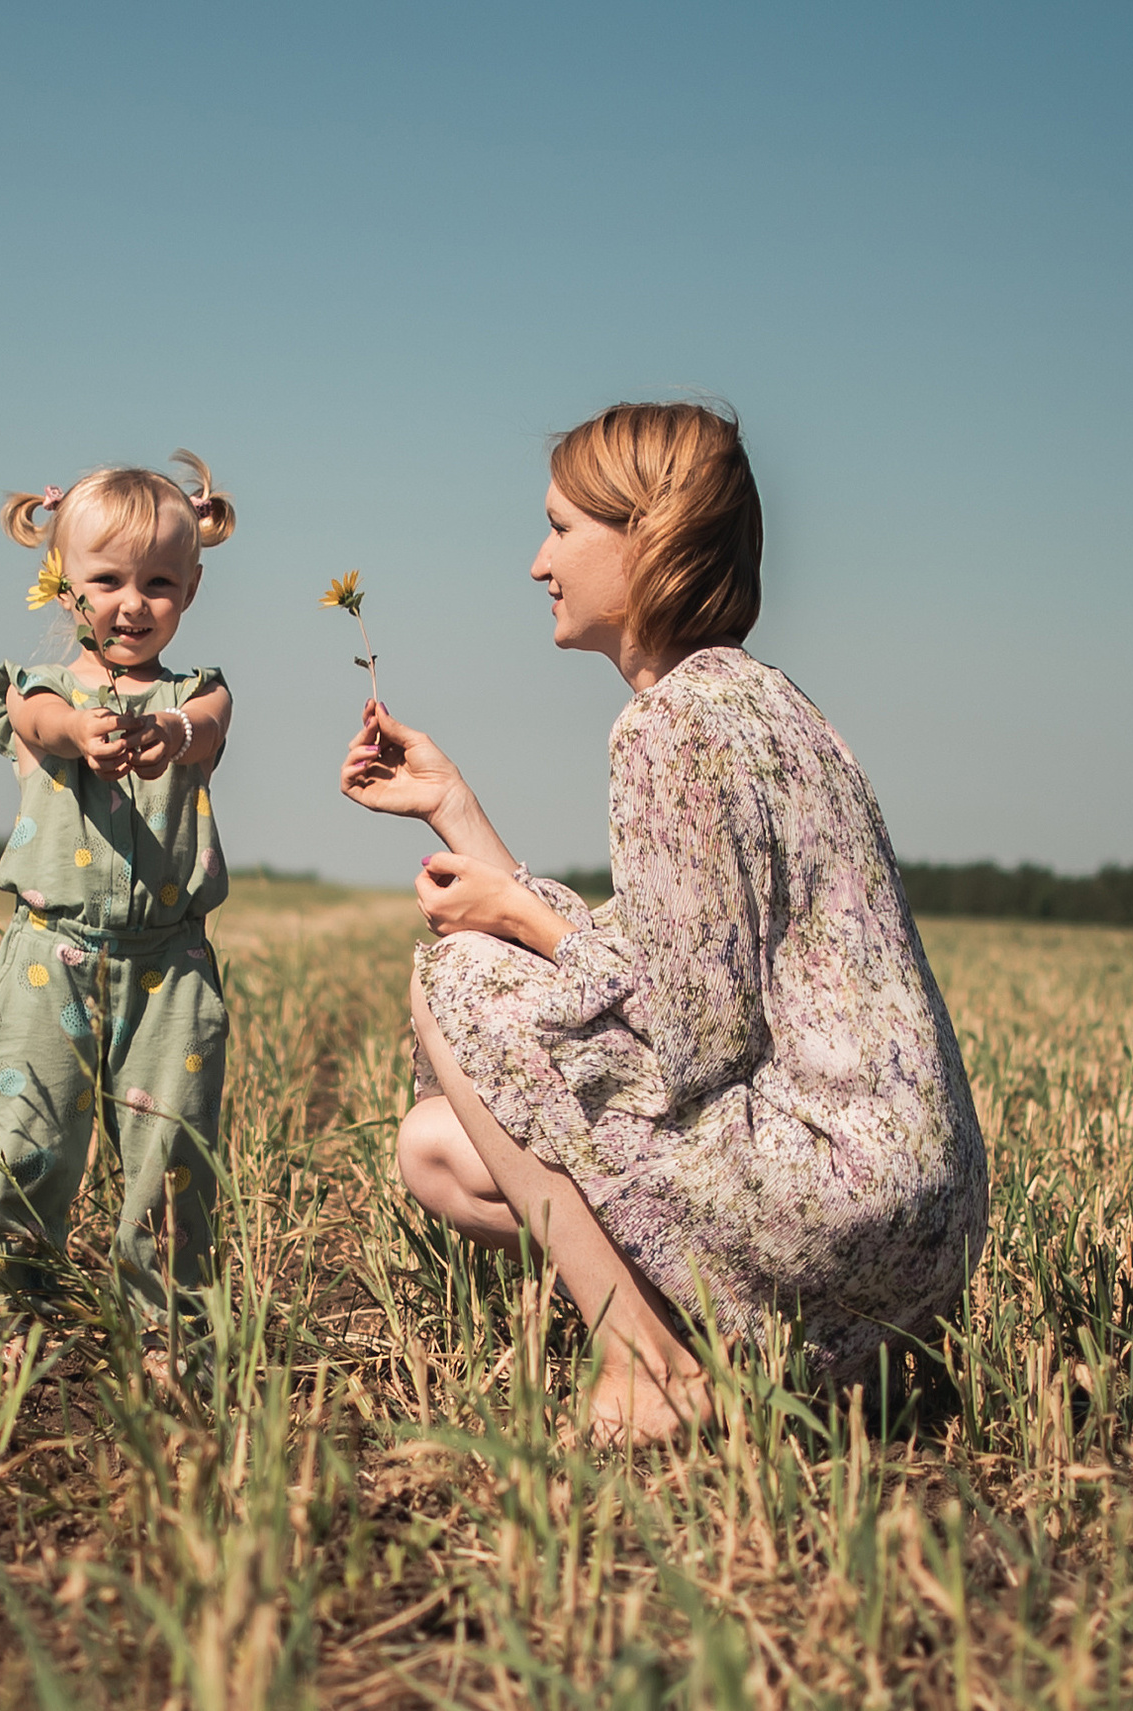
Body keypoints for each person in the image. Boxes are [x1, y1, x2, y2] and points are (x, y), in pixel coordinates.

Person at [339, 403, 988, 1441]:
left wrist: (512, 918)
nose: (538, 562)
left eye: (561, 528)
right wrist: (454, 809)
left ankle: (648, 1369)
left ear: (648, 538)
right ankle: (779, 1372)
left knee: (451, 976)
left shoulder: (669, 725)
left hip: (830, 1191)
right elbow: (666, 965)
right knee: (437, 1148)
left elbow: (693, 1038)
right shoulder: (766, 704)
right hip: (914, 1217)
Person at [0, 451, 237, 1352]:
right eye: (108, 580)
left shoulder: (195, 695)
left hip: (171, 967)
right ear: (62, 584)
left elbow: (208, 725)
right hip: (51, 955)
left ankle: (170, 1334)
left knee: (172, 1158)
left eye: (158, 582)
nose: (133, 603)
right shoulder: (40, 691)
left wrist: (169, 731)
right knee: (32, 1141)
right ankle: (7, 1319)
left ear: (190, 589)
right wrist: (82, 730)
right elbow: (37, 720)